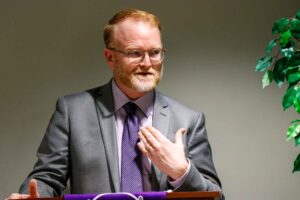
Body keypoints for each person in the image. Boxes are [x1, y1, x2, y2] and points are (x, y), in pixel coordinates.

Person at [7, 8, 224, 200]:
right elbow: (47, 178)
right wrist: (30, 197)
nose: (147, 63)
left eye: (155, 53)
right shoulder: (72, 112)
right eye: (135, 53)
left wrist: (181, 172)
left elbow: (216, 197)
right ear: (110, 58)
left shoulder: (189, 120)